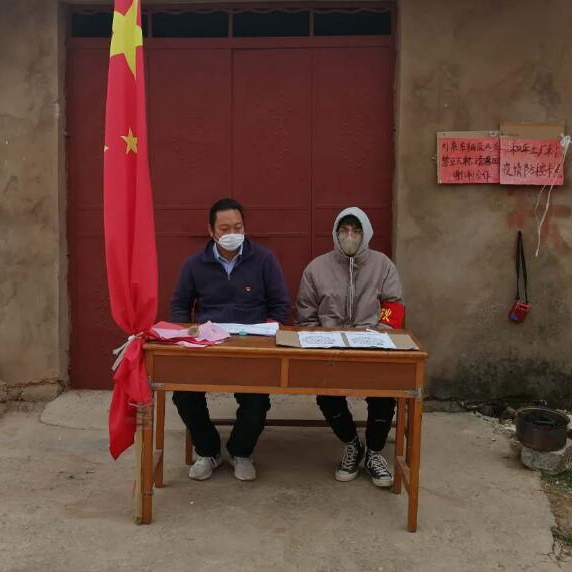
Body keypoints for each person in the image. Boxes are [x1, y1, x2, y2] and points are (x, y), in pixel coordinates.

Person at [170, 198, 290, 482]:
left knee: (257, 400)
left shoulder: (264, 260)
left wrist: (268, 335)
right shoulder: (194, 264)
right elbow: (179, 304)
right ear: (211, 231)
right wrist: (186, 334)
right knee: (183, 394)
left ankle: (241, 451)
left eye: (238, 227)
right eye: (225, 229)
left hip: (252, 347)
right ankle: (208, 450)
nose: (232, 233)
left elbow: (280, 304)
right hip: (208, 346)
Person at [295, 206, 404, 487]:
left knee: (384, 396)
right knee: (326, 395)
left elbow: (393, 306)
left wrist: (379, 337)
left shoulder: (383, 266)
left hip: (372, 346)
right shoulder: (316, 269)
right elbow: (306, 316)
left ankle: (374, 452)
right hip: (330, 348)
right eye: (344, 230)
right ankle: (352, 444)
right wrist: (320, 339)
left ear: (366, 233)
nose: (350, 236)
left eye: (356, 230)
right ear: (335, 233)